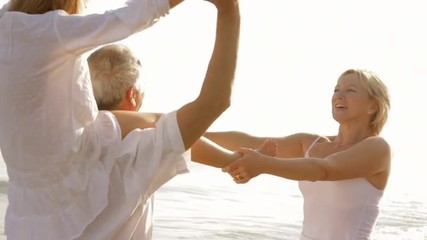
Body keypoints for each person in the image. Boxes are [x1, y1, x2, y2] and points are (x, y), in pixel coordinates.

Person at [0, 0, 241, 239]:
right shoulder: (136, 159)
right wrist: (229, 10)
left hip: (28, 204)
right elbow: (212, 104)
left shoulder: (29, 204)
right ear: (132, 94)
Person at [86, 42, 276, 238]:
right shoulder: (141, 146)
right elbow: (180, 135)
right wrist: (235, 160)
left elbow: (181, 134)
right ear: (132, 95)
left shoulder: (67, 136)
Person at [205, 69, 392, 240]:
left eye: (350, 90)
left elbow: (323, 170)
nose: (339, 96)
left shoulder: (377, 148)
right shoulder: (311, 144)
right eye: (336, 90)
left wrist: (262, 164)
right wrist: (192, 134)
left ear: (372, 107)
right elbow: (252, 142)